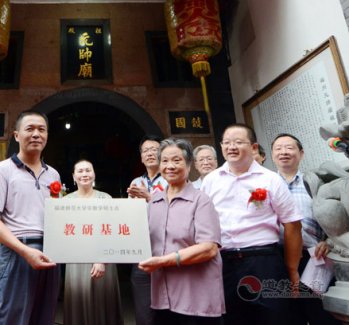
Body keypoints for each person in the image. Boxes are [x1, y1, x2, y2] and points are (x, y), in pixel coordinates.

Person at [201, 123, 303, 325]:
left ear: (254, 147)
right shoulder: (211, 181)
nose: (231, 147)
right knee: (231, 318)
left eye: (238, 142)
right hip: (224, 263)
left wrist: (292, 269)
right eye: (227, 143)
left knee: (274, 317)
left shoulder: (271, 179)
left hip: (264, 260)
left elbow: (292, 224)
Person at [0, 111, 61, 325]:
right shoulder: (3, 170)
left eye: (41, 130)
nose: (36, 134)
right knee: (13, 318)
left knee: (43, 317)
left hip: (50, 254)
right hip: (17, 253)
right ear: (16, 135)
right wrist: (25, 251)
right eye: (30, 129)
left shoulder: (53, 174)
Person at [139, 138, 224, 325]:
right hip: (163, 298)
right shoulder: (154, 202)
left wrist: (162, 261)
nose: (170, 166)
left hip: (195, 299)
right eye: (165, 161)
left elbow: (209, 248)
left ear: (188, 164)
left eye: (177, 161)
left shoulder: (201, 201)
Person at [271, 133, 341, 325]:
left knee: (320, 315)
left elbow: (336, 218)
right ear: (272, 155)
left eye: (289, 148)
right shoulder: (266, 184)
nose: (283, 152)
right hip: (277, 259)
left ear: (301, 154)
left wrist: (328, 243)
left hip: (314, 259)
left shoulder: (317, 183)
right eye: (278, 148)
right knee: (287, 316)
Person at [64, 159, 123, 325]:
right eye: (80, 171)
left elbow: (113, 232)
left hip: (104, 259)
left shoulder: (106, 198)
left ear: (94, 174)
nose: (84, 174)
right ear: (74, 176)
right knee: (78, 301)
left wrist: (101, 258)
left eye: (88, 170)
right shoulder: (65, 202)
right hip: (76, 261)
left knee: (104, 302)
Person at [126, 135, 167, 325]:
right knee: (144, 309)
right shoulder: (136, 182)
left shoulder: (171, 178)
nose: (150, 153)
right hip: (141, 250)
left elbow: (177, 212)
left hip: (167, 249)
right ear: (141, 157)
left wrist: (149, 197)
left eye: (154, 149)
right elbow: (129, 216)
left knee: (170, 306)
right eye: (146, 151)